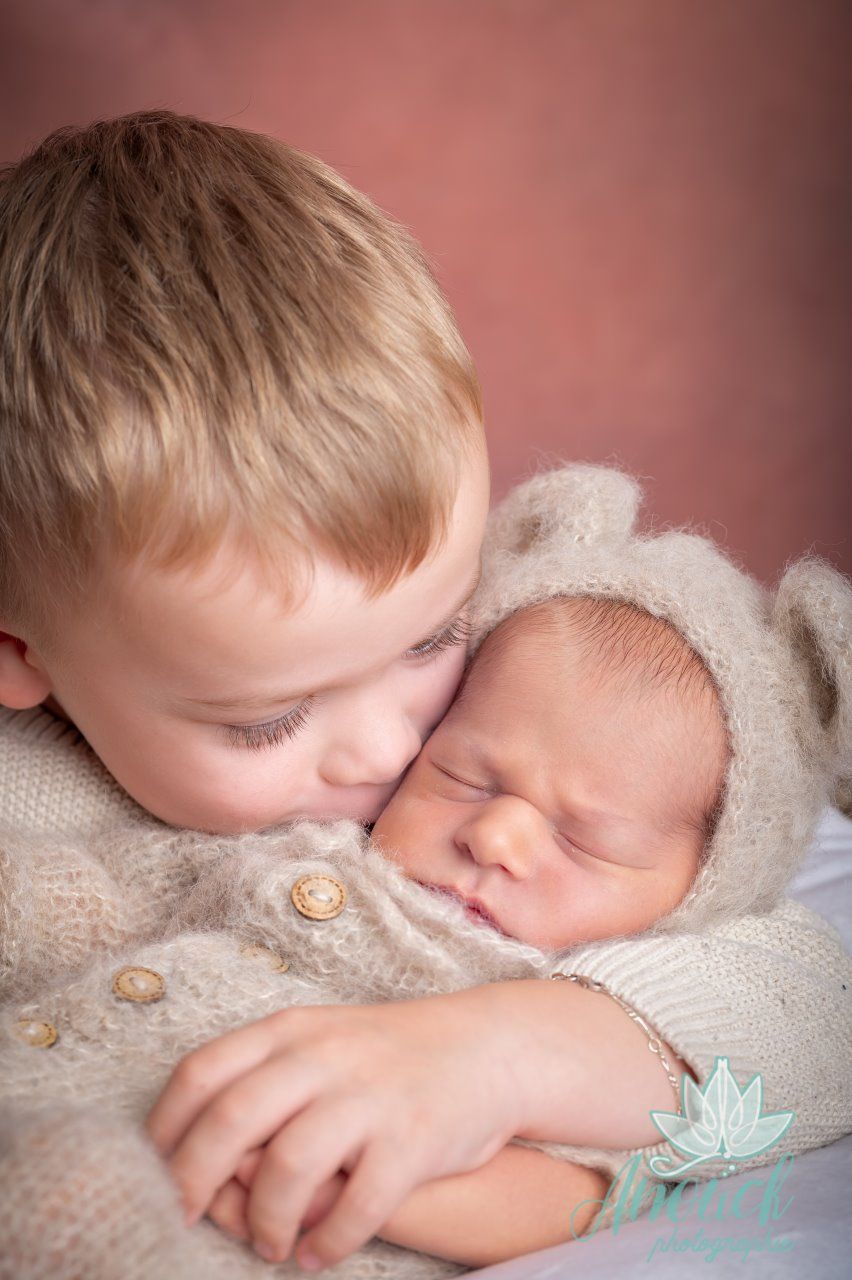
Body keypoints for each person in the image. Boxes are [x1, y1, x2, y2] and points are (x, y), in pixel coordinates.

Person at [0, 108, 847, 1272]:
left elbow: (821, 1004)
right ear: (19, 648)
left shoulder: (527, 733)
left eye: (432, 636)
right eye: (269, 718)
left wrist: (497, 1052)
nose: (388, 746)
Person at [2, 466, 851, 1279]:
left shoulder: (591, 986)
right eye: (461, 776)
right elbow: (102, 893)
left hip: (167, 1221)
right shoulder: (308, 845)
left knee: (68, 1190)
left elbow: (578, 1196)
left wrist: (379, 1185)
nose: (496, 837)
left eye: (584, 842)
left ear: (698, 896)